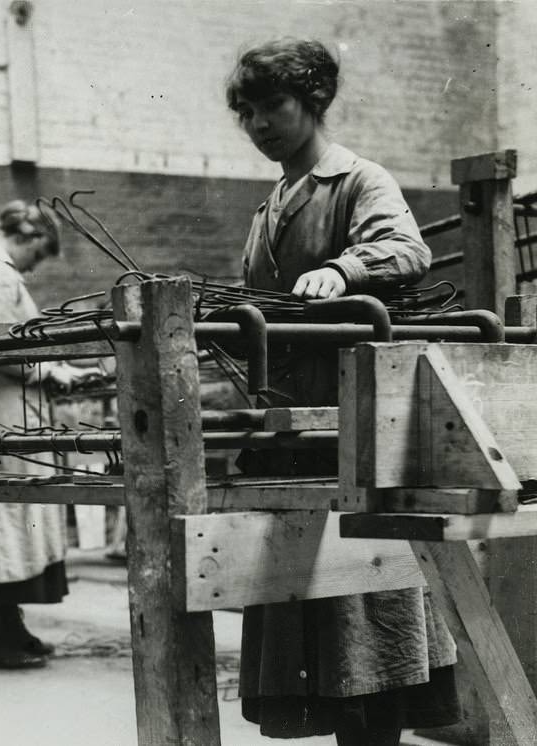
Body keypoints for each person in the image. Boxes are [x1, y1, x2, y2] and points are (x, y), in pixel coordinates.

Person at [226, 40, 462, 743]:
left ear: (314, 102)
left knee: (367, 614)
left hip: (353, 432)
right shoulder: (269, 206)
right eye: (247, 111)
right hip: (292, 437)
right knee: (313, 625)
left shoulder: (357, 179)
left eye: (274, 106)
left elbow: (407, 250)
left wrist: (346, 269)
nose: (259, 123)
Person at [0, 200, 100, 669]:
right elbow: (6, 353)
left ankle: (9, 626)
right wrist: (52, 372)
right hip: (0, 410)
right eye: (41, 254)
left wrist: (54, 368)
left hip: (2, 405)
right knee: (5, 517)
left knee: (11, 517)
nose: (38, 265)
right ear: (30, 238)